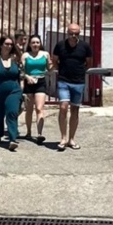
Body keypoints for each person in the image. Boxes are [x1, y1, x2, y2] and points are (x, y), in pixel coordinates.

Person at [53, 22, 93, 150]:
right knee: (63, 107)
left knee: (75, 110)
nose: (73, 35)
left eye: (76, 33)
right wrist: (61, 71)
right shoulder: (60, 45)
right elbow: (55, 60)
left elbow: (89, 63)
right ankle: (63, 138)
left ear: (79, 34)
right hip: (64, 80)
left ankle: (71, 139)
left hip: (78, 82)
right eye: (71, 33)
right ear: (67, 33)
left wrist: (80, 72)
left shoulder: (85, 47)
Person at [0, 35, 24, 150]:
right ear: (1, 45)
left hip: (14, 90)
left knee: (12, 112)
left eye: (10, 44)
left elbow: (21, 74)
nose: (8, 46)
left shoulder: (16, 59)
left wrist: (21, 88)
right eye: (6, 44)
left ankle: (13, 139)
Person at [21, 34, 51, 143]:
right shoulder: (25, 55)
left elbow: (50, 68)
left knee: (39, 108)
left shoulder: (45, 54)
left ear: (40, 44)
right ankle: (28, 132)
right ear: (29, 44)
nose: (35, 45)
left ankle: (39, 134)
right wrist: (27, 77)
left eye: (37, 42)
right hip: (29, 82)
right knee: (29, 110)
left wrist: (54, 64)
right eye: (33, 42)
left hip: (41, 82)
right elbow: (21, 70)